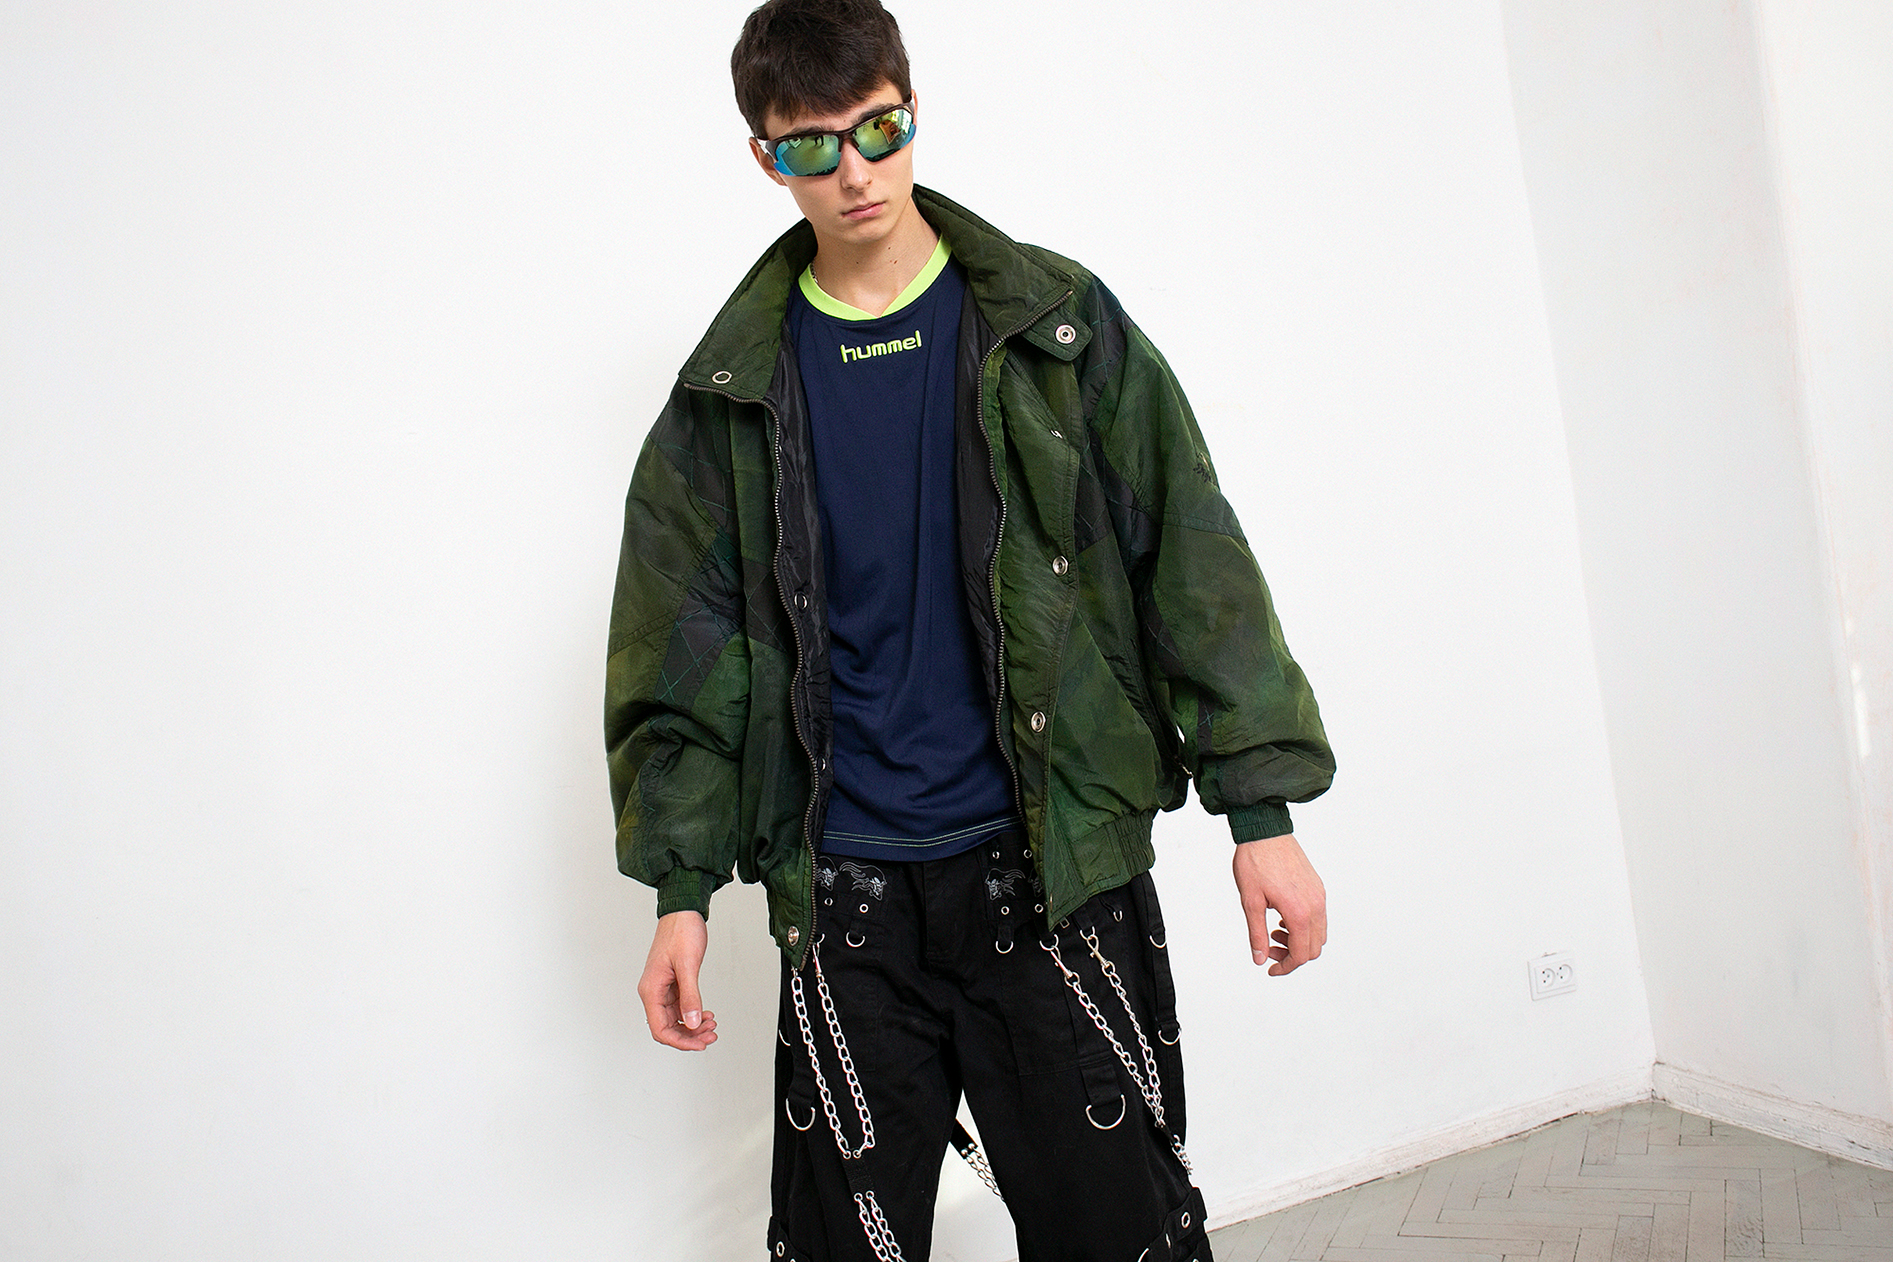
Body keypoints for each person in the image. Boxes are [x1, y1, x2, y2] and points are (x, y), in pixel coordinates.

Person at [604, 2, 1335, 1257]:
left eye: (878, 129)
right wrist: (681, 892)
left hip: (1049, 875)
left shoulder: (1055, 327)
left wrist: (1260, 812)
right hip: (844, 904)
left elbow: (1188, 553)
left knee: (1124, 1236)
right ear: (764, 157)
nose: (855, 171)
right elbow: (685, 649)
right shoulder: (727, 395)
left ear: (912, 108)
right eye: (812, 146)